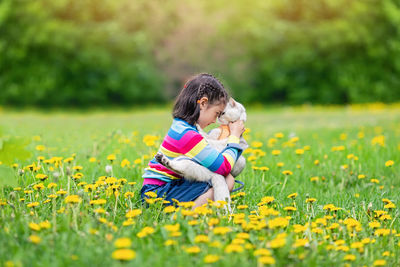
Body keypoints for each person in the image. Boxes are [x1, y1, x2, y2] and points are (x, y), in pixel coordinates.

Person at [140, 73, 245, 208]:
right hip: (156, 194)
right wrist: (234, 137)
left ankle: (194, 210)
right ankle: (186, 215)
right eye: (216, 114)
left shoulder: (183, 127)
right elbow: (223, 167)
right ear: (203, 103)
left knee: (221, 177)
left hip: (161, 189)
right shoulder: (187, 134)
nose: (214, 121)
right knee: (226, 178)